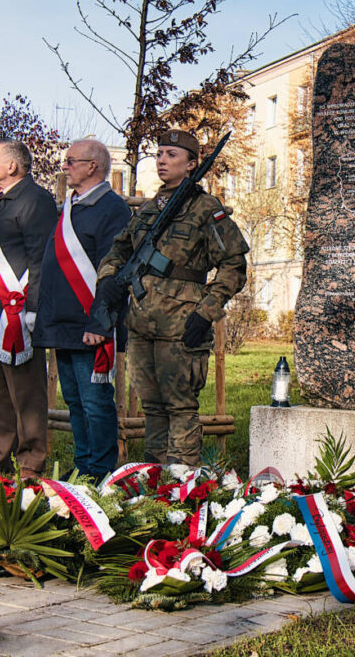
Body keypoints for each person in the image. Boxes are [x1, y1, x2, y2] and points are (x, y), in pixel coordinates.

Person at [92, 129, 248, 466]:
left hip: (182, 324)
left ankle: (181, 483)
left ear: (192, 164)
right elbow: (118, 251)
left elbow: (234, 266)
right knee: (152, 406)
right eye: (159, 153)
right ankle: (154, 479)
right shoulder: (149, 209)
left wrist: (206, 312)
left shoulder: (206, 209)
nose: (162, 160)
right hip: (141, 322)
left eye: (171, 155)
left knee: (180, 406)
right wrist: (108, 280)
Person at [33, 140, 131, 483]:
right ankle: (83, 467)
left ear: (93, 166)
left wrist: (100, 322)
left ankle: (101, 472)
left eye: (71, 161)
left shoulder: (112, 209)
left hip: (92, 325)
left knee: (95, 402)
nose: (65, 166)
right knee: (75, 401)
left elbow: (115, 271)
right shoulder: (70, 208)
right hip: (63, 323)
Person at [0, 139, 57, 479]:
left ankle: (31, 460)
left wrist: (31, 308)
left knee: (25, 390)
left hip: (17, 314)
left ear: (12, 166)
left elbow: (41, 258)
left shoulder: (35, 200)